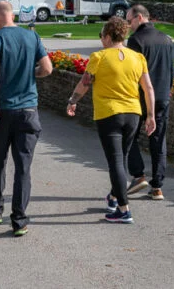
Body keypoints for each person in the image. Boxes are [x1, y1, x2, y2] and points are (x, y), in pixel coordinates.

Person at [66, 16, 156, 223]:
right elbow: (148, 88)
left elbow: (85, 83)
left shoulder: (99, 57)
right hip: (133, 114)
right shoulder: (137, 57)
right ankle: (114, 196)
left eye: (102, 36)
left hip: (109, 114)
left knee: (115, 161)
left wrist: (72, 100)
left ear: (107, 36)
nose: (101, 40)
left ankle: (123, 210)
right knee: (121, 157)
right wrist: (150, 115)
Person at [0, 0, 53, 237]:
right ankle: (19, 220)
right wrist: (29, 74)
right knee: (23, 166)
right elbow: (47, 69)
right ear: (12, 15)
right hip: (29, 110)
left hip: (3, 109)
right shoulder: (32, 37)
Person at [125, 4, 174, 201]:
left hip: (140, 96)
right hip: (162, 95)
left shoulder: (136, 40)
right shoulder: (166, 39)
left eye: (129, 21)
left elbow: (132, 72)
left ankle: (138, 175)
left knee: (128, 137)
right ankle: (158, 187)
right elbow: (171, 70)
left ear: (138, 18)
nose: (128, 26)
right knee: (158, 140)